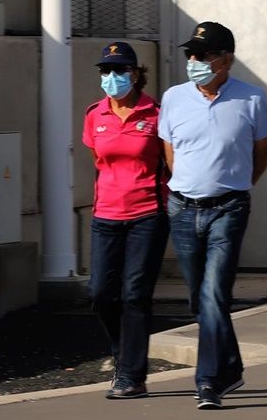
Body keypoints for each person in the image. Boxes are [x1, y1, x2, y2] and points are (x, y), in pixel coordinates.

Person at [159, 22, 267, 410]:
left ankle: (208, 381)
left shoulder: (252, 99)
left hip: (228, 207)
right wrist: (187, 183)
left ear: (227, 60)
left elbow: (262, 155)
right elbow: (170, 153)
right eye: (191, 54)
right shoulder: (173, 98)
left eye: (204, 55)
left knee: (213, 294)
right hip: (182, 208)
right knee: (200, 299)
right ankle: (232, 366)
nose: (194, 61)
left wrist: (236, 184)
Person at [82, 42, 167, 400]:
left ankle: (132, 375)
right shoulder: (94, 115)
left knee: (135, 295)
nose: (111, 78)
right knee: (101, 293)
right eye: (106, 71)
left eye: (119, 71)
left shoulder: (156, 113)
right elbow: (98, 161)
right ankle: (123, 356)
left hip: (147, 214)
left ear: (134, 73)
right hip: (106, 216)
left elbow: (169, 162)